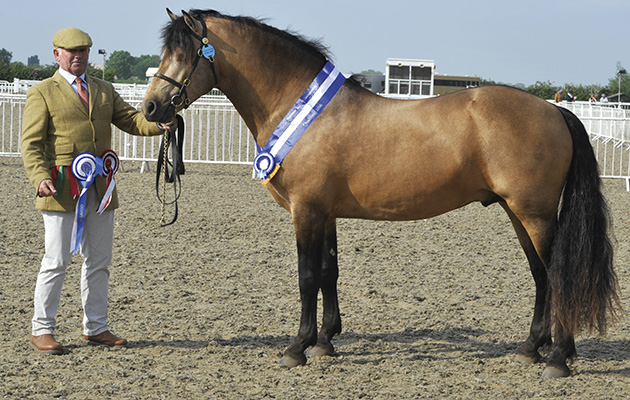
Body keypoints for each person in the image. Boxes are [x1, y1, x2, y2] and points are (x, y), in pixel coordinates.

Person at [21, 27, 173, 354]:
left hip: (101, 189)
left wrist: (159, 126)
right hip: (60, 186)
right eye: (71, 51)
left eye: (83, 51)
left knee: (99, 261)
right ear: (56, 54)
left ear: (90, 53)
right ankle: (42, 328)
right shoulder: (43, 92)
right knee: (56, 260)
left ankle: (97, 326)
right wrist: (38, 177)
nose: (78, 56)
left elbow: (131, 120)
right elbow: (31, 145)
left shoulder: (104, 90)